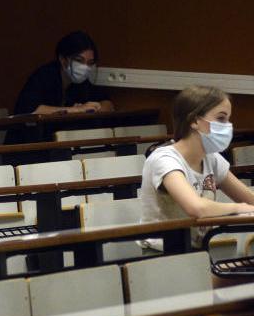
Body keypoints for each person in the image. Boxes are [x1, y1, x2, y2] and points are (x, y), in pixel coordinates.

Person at [140, 85, 254, 247]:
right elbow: (196, 208)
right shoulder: (164, 159)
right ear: (194, 121)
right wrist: (238, 208)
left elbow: (250, 201)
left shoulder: (211, 158)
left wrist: (245, 206)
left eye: (228, 119)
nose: (228, 126)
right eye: (221, 118)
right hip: (163, 254)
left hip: (201, 249)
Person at [14, 31, 116, 116]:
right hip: (29, 137)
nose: (85, 67)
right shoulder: (44, 76)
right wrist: (76, 110)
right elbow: (30, 110)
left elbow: (107, 104)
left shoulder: (81, 83)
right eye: (79, 60)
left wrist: (95, 108)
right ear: (63, 60)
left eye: (90, 63)